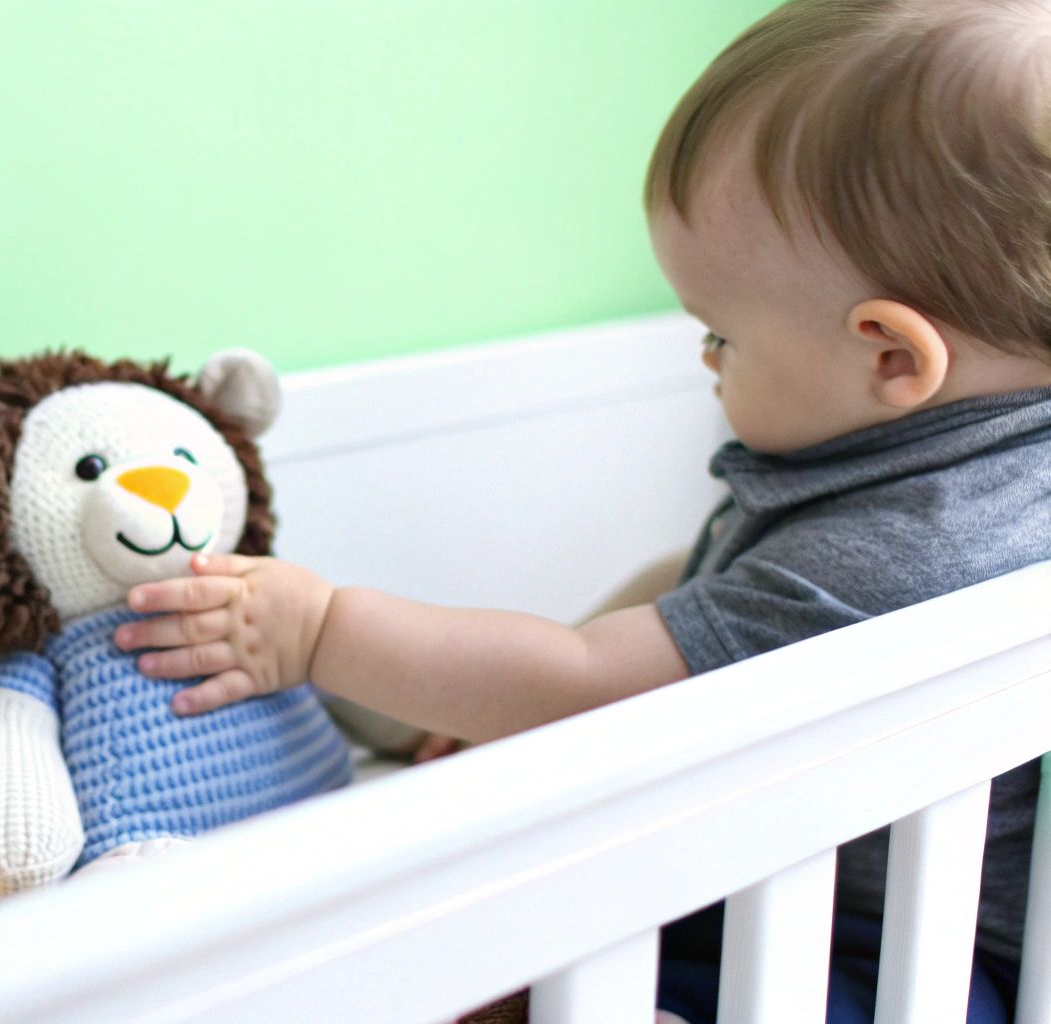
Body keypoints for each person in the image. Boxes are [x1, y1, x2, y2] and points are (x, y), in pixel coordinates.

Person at [116, 2, 1051, 1020]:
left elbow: (591, 687)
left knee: (480, 971)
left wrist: (321, 628)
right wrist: (481, 698)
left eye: (718, 335)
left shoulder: (892, 556)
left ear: (889, 358)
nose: (700, 360)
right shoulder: (978, 466)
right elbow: (695, 593)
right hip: (793, 894)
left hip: (876, 960)